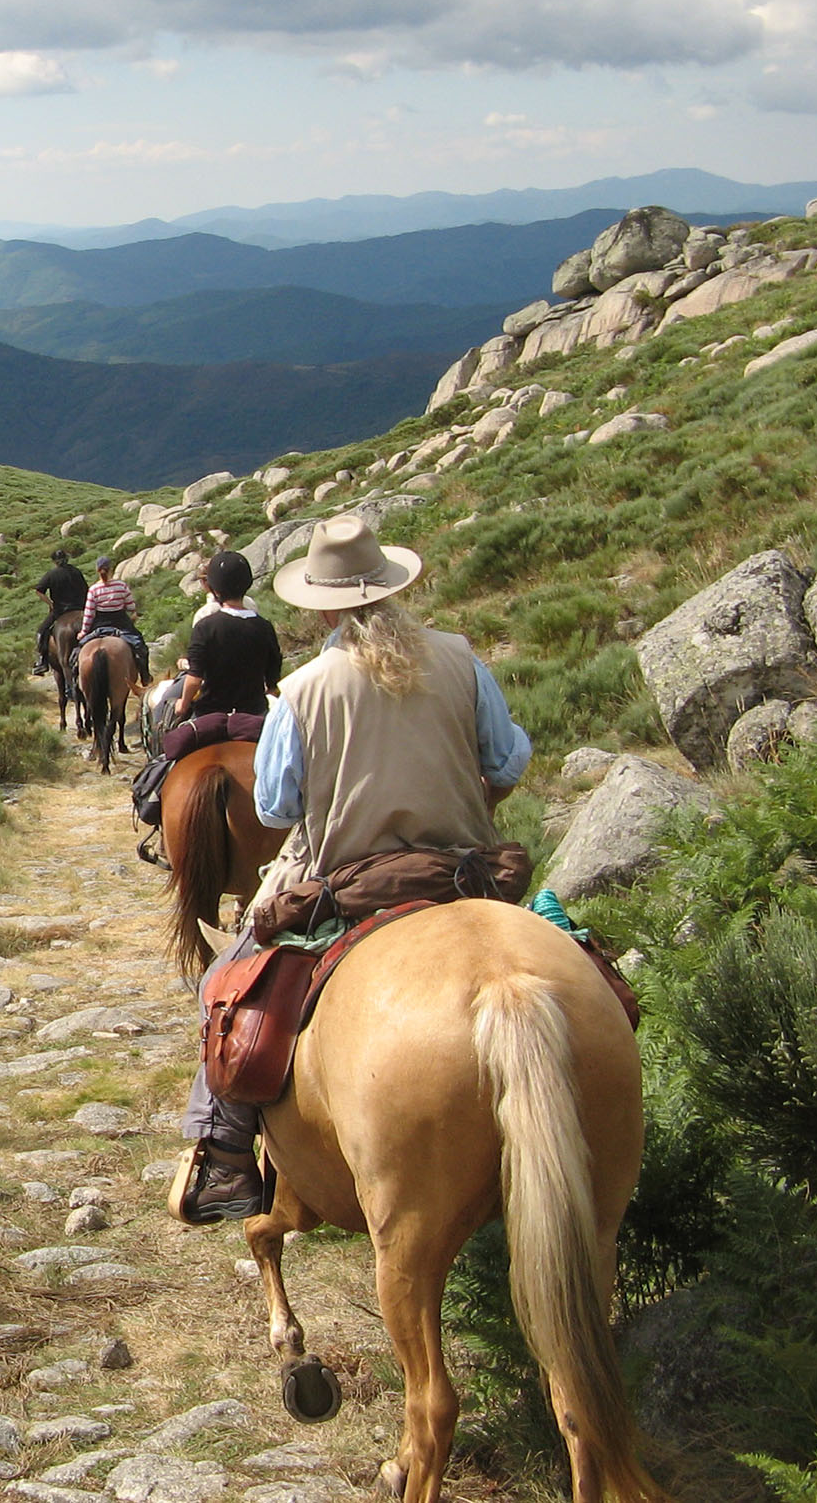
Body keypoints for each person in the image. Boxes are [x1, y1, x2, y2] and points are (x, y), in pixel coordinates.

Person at [168, 514, 531, 1226]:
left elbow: (274, 808)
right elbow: (508, 760)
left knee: (223, 981)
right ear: (394, 589)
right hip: (466, 872)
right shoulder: (460, 657)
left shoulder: (305, 690)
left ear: (325, 604)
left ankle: (227, 1154)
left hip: (345, 880)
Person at [158, 551, 283, 762]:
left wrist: (183, 703)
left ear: (214, 588)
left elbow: (195, 679)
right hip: (254, 714)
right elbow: (272, 683)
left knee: (167, 757)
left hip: (210, 714)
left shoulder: (206, 626)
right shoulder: (264, 627)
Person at [71, 556, 150, 686]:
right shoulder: (121, 585)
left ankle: (75, 682)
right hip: (121, 623)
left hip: (99, 625)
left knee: (76, 653)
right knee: (141, 647)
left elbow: (89, 614)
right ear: (111, 570)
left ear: (97, 570)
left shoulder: (93, 589)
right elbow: (130, 607)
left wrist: (83, 632)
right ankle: (145, 677)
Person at [31, 547, 88, 675]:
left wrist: (50, 603)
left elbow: (39, 591)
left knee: (41, 632)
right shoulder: (76, 571)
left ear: (55, 561)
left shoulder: (51, 574)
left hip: (60, 611)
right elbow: (86, 589)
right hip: (80, 609)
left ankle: (42, 661)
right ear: (66, 559)